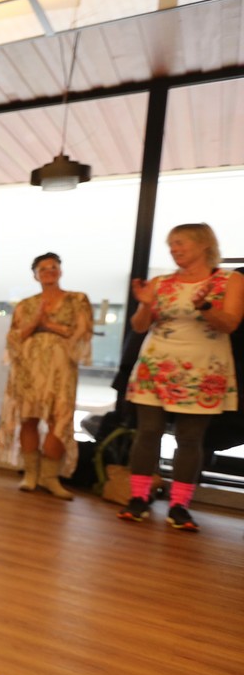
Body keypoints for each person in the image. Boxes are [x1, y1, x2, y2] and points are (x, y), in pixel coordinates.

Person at [119, 223, 243, 530]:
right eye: (171, 245)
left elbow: (229, 324)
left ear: (204, 245)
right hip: (156, 365)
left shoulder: (230, 280)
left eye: (180, 243)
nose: (174, 250)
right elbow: (139, 326)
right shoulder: (161, 282)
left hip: (204, 370)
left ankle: (179, 506)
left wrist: (204, 306)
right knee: (148, 432)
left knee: (190, 439)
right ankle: (138, 498)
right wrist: (145, 303)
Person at [0, 253, 93, 499]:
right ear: (35, 275)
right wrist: (35, 323)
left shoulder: (77, 299)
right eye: (43, 268)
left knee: (59, 418)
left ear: (60, 271)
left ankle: (49, 477)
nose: (49, 271)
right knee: (28, 417)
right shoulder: (26, 304)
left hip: (61, 368)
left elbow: (82, 332)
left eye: (53, 267)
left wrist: (49, 326)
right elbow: (14, 337)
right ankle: (31, 474)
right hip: (29, 368)